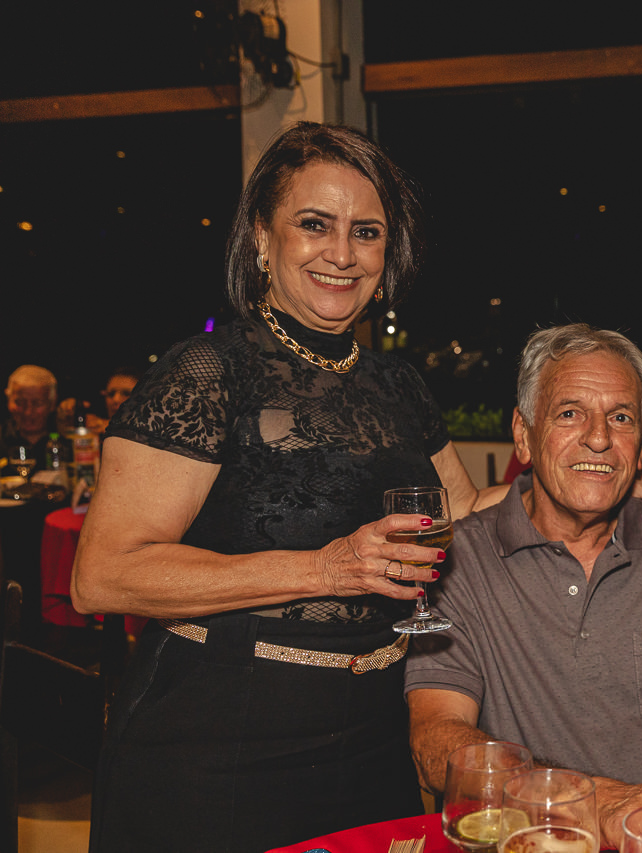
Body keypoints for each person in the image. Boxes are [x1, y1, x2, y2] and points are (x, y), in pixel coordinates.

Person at [72, 122, 501, 853]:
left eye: (366, 232)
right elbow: (102, 575)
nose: (342, 253)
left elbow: (463, 514)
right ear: (262, 240)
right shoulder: (209, 371)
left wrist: (595, 480)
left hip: (373, 736)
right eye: (314, 224)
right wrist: (325, 569)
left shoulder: (398, 384)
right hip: (220, 743)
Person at [406, 325, 642, 849]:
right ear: (523, 434)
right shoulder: (462, 561)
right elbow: (436, 743)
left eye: (621, 417)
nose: (599, 437)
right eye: (570, 413)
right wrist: (596, 802)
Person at [3, 364, 59, 472]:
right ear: (8, 401)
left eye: (37, 403)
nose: (28, 412)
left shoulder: (66, 443)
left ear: (52, 403)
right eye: (20, 402)